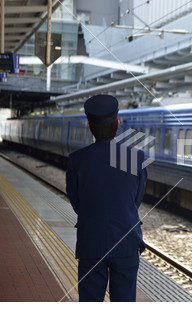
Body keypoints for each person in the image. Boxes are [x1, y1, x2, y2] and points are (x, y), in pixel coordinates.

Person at [66, 95, 147, 302]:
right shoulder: (134, 157)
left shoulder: (77, 160)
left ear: (89, 126)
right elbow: (135, 200)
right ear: (117, 124)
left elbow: (77, 203)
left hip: (91, 243)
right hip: (126, 242)